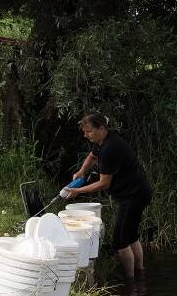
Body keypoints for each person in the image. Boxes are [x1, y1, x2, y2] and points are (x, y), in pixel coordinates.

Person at [63, 114, 153, 279]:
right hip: (137, 192)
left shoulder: (111, 148)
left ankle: (131, 281)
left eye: (89, 132)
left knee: (119, 241)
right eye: (84, 132)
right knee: (131, 236)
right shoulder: (101, 142)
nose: (86, 135)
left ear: (101, 128)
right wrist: (82, 171)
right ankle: (140, 273)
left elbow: (104, 183)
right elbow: (92, 156)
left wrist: (78, 191)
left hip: (133, 196)